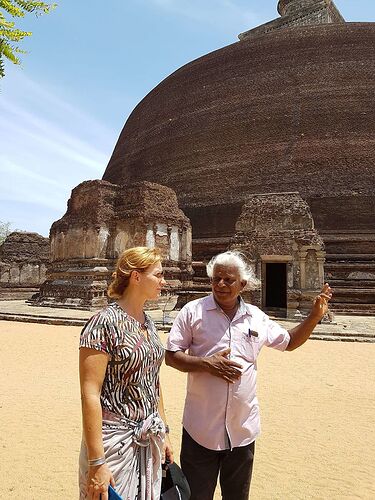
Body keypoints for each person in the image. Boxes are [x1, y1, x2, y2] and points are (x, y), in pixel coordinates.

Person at [165, 250, 332, 500]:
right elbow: (171, 356)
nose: (220, 284)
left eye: (228, 280)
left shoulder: (256, 317)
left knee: (237, 496)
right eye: (216, 279)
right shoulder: (192, 312)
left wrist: (314, 316)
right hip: (201, 429)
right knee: (196, 496)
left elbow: (290, 341)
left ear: (242, 284)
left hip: (242, 431)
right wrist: (206, 364)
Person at [79, 246, 173, 500]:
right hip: (113, 443)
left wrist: (163, 432)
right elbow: (90, 393)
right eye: (159, 275)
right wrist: (97, 461)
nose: (164, 281)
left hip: (147, 438)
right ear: (136, 276)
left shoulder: (148, 323)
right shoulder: (102, 323)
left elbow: (154, 381)